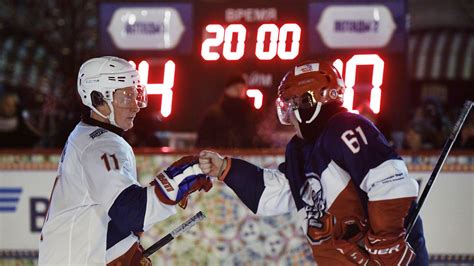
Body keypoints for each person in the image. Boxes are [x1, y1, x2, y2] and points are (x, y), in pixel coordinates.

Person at [199, 60, 428, 265]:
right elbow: (275, 193)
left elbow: (389, 180)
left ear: (310, 103)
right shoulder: (299, 150)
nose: (288, 117)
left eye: (291, 105)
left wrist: (387, 245)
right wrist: (225, 169)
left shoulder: (346, 127)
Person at [38, 56, 212, 265]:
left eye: (136, 95)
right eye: (126, 97)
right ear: (97, 99)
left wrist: (125, 249)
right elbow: (131, 213)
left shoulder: (86, 134)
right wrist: (180, 178)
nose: (136, 106)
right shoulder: (100, 145)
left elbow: (99, 210)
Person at [195, 74, 266, 148]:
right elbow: (203, 143)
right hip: (221, 157)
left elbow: (259, 139)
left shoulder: (252, 116)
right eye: (236, 88)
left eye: (242, 89)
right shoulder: (213, 115)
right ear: (227, 90)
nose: (239, 92)